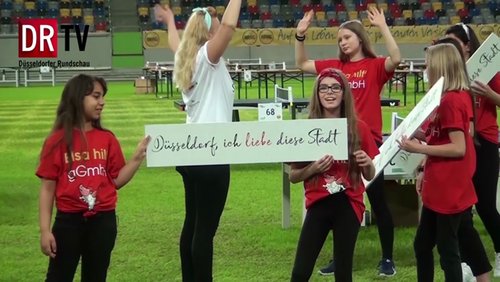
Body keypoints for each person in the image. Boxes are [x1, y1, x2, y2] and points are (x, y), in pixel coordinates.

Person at [295, 7, 401, 276]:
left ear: (360, 38)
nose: (342, 42)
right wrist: (299, 37)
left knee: (377, 202)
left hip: (365, 142)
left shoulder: (375, 66)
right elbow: (303, 65)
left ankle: (387, 258)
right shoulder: (336, 68)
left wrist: (383, 27)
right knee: (334, 197)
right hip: (334, 142)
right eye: (339, 39)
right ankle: (338, 259)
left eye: (346, 37)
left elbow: (396, 58)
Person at [154, 2, 240, 281]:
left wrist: (169, 19)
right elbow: (228, 27)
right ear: (207, 32)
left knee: (193, 224)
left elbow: (176, 41)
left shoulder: (187, 59)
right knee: (205, 231)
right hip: (210, 153)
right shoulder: (207, 57)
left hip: (191, 152)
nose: (218, 25)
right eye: (212, 23)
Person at [36, 74, 151, 282]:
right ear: (78, 98)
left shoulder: (107, 139)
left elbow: (116, 181)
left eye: (102, 97)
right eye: (96, 96)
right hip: (68, 223)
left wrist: (135, 160)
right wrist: (45, 230)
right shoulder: (56, 141)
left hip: (103, 222)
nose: (102, 102)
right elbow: (47, 188)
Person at [398, 43, 477, 281]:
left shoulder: (452, 100)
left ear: (440, 67)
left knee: (447, 250)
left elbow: (458, 146)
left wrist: (419, 148)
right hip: (441, 184)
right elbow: (443, 135)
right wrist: (420, 135)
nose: (425, 70)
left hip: (449, 185)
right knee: (423, 245)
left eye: (427, 65)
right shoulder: (449, 97)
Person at [289, 68, 378, 282]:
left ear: (344, 92)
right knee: (300, 271)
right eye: (324, 88)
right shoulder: (308, 130)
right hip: (318, 202)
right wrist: (313, 169)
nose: (329, 92)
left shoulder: (359, 128)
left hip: (349, 202)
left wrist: (366, 164)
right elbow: (293, 176)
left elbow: (371, 172)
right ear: (317, 94)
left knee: (343, 272)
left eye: (335, 87)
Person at [445, 23, 500, 278]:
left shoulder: (488, 68)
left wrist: (490, 93)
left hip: (485, 141)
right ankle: (467, 263)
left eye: (455, 43)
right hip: (458, 145)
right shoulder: (446, 70)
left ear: (467, 46)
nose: (450, 49)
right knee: (462, 208)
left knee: (486, 204)